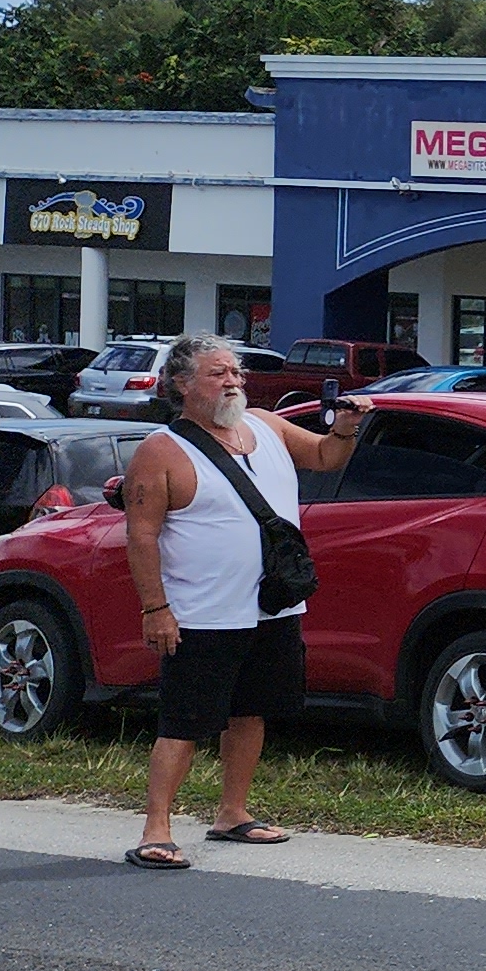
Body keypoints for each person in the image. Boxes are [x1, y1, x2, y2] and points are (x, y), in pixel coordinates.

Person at [121, 334, 362, 871]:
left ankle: (232, 812)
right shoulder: (162, 450)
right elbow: (141, 535)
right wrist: (155, 608)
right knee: (183, 721)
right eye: (217, 373)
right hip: (201, 614)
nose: (232, 381)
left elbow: (325, 456)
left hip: (271, 605)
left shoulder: (266, 426)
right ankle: (155, 828)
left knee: (251, 712)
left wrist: (343, 429)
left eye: (236, 372)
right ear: (182, 384)